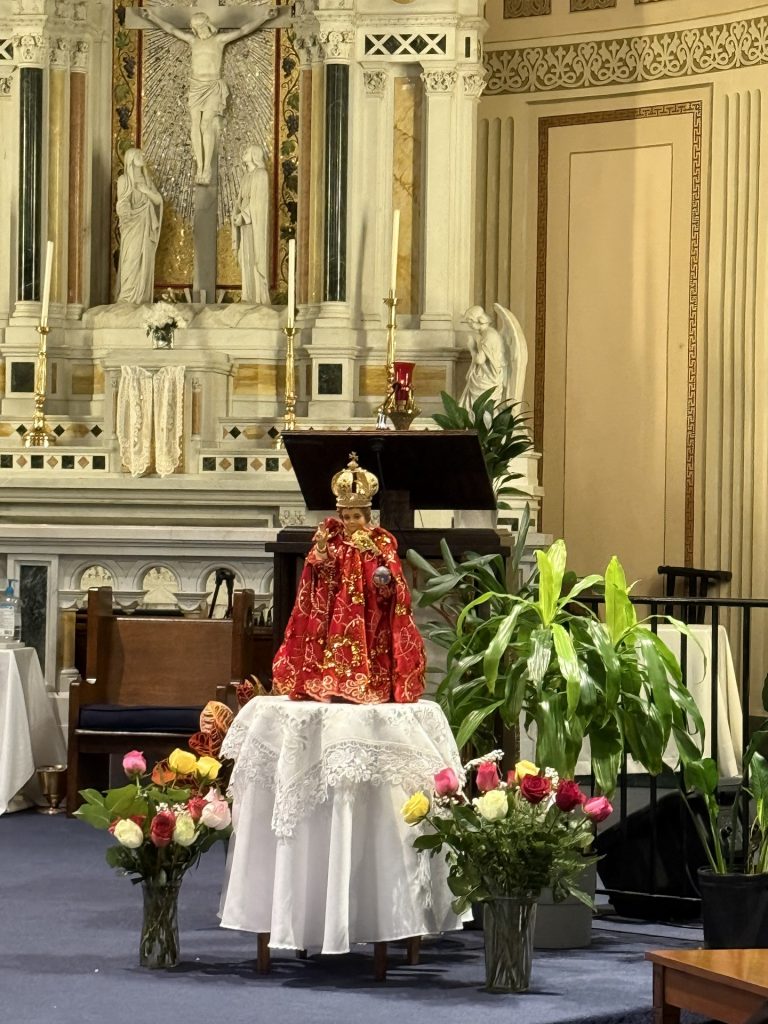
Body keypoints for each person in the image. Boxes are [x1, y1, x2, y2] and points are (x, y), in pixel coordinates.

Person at [272, 454, 426, 704]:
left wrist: (377, 565)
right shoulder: (333, 539)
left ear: (367, 516)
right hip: (336, 608)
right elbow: (321, 574)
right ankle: (332, 683)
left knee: (371, 644)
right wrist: (321, 549)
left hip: (370, 608)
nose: (351, 522)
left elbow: (392, 578)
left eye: (356, 516)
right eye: (347, 517)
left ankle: (369, 684)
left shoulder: (380, 541)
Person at [136, 6, 279, 185]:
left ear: (208, 25)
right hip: (196, 87)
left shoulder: (219, 40)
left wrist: (265, 17)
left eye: (202, 27)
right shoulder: (193, 41)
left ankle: (207, 168)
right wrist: (152, 17)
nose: (200, 31)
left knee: (206, 124)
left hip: (212, 86)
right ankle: (200, 165)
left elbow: (243, 30)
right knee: (195, 124)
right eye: (197, 28)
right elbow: (171, 30)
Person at [115, 148, 163, 304]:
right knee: (131, 259)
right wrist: (126, 213)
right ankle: (127, 296)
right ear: (130, 159)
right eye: (138, 155)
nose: (142, 156)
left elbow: (158, 200)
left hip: (145, 224)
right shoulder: (124, 180)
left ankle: (141, 298)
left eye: (142, 155)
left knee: (144, 261)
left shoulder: (146, 180)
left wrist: (146, 191)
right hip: (131, 226)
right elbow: (122, 202)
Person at [232, 145, 270, 304]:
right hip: (245, 224)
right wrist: (236, 214)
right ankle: (247, 295)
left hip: (255, 223)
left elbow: (259, 202)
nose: (244, 153)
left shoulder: (261, 175)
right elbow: (240, 200)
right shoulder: (245, 177)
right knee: (246, 258)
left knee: (255, 258)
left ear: (255, 154)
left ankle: (259, 297)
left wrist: (244, 216)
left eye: (247, 151)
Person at [459, 304, 508, 410]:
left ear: (475, 321)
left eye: (469, 322)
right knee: (476, 410)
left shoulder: (488, 336)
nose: (469, 325)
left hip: (487, 378)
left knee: (480, 408)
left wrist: (471, 347)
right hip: (485, 375)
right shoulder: (487, 333)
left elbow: (480, 360)